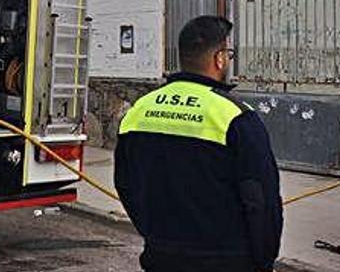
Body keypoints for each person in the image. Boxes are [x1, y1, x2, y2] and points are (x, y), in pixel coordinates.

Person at [114, 16, 283, 272]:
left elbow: (125, 185)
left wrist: (155, 236)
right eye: (228, 53)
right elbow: (261, 201)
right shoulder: (236, 117)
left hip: (161, 257)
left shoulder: (139, 111)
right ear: (219, 59)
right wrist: (263, 260)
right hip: (227, 260)